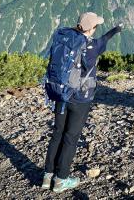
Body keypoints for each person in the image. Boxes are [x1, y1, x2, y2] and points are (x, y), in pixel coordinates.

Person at [42, 12, 123, 193]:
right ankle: (61, 180)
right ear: (92, 28)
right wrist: (117, 29)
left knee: (57, 133)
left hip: (61, 94)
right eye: (96, 26)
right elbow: (105, 38)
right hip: (80, 99)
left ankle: (47, 176)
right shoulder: (93, 45)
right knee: (70, 138)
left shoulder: (65, 37)